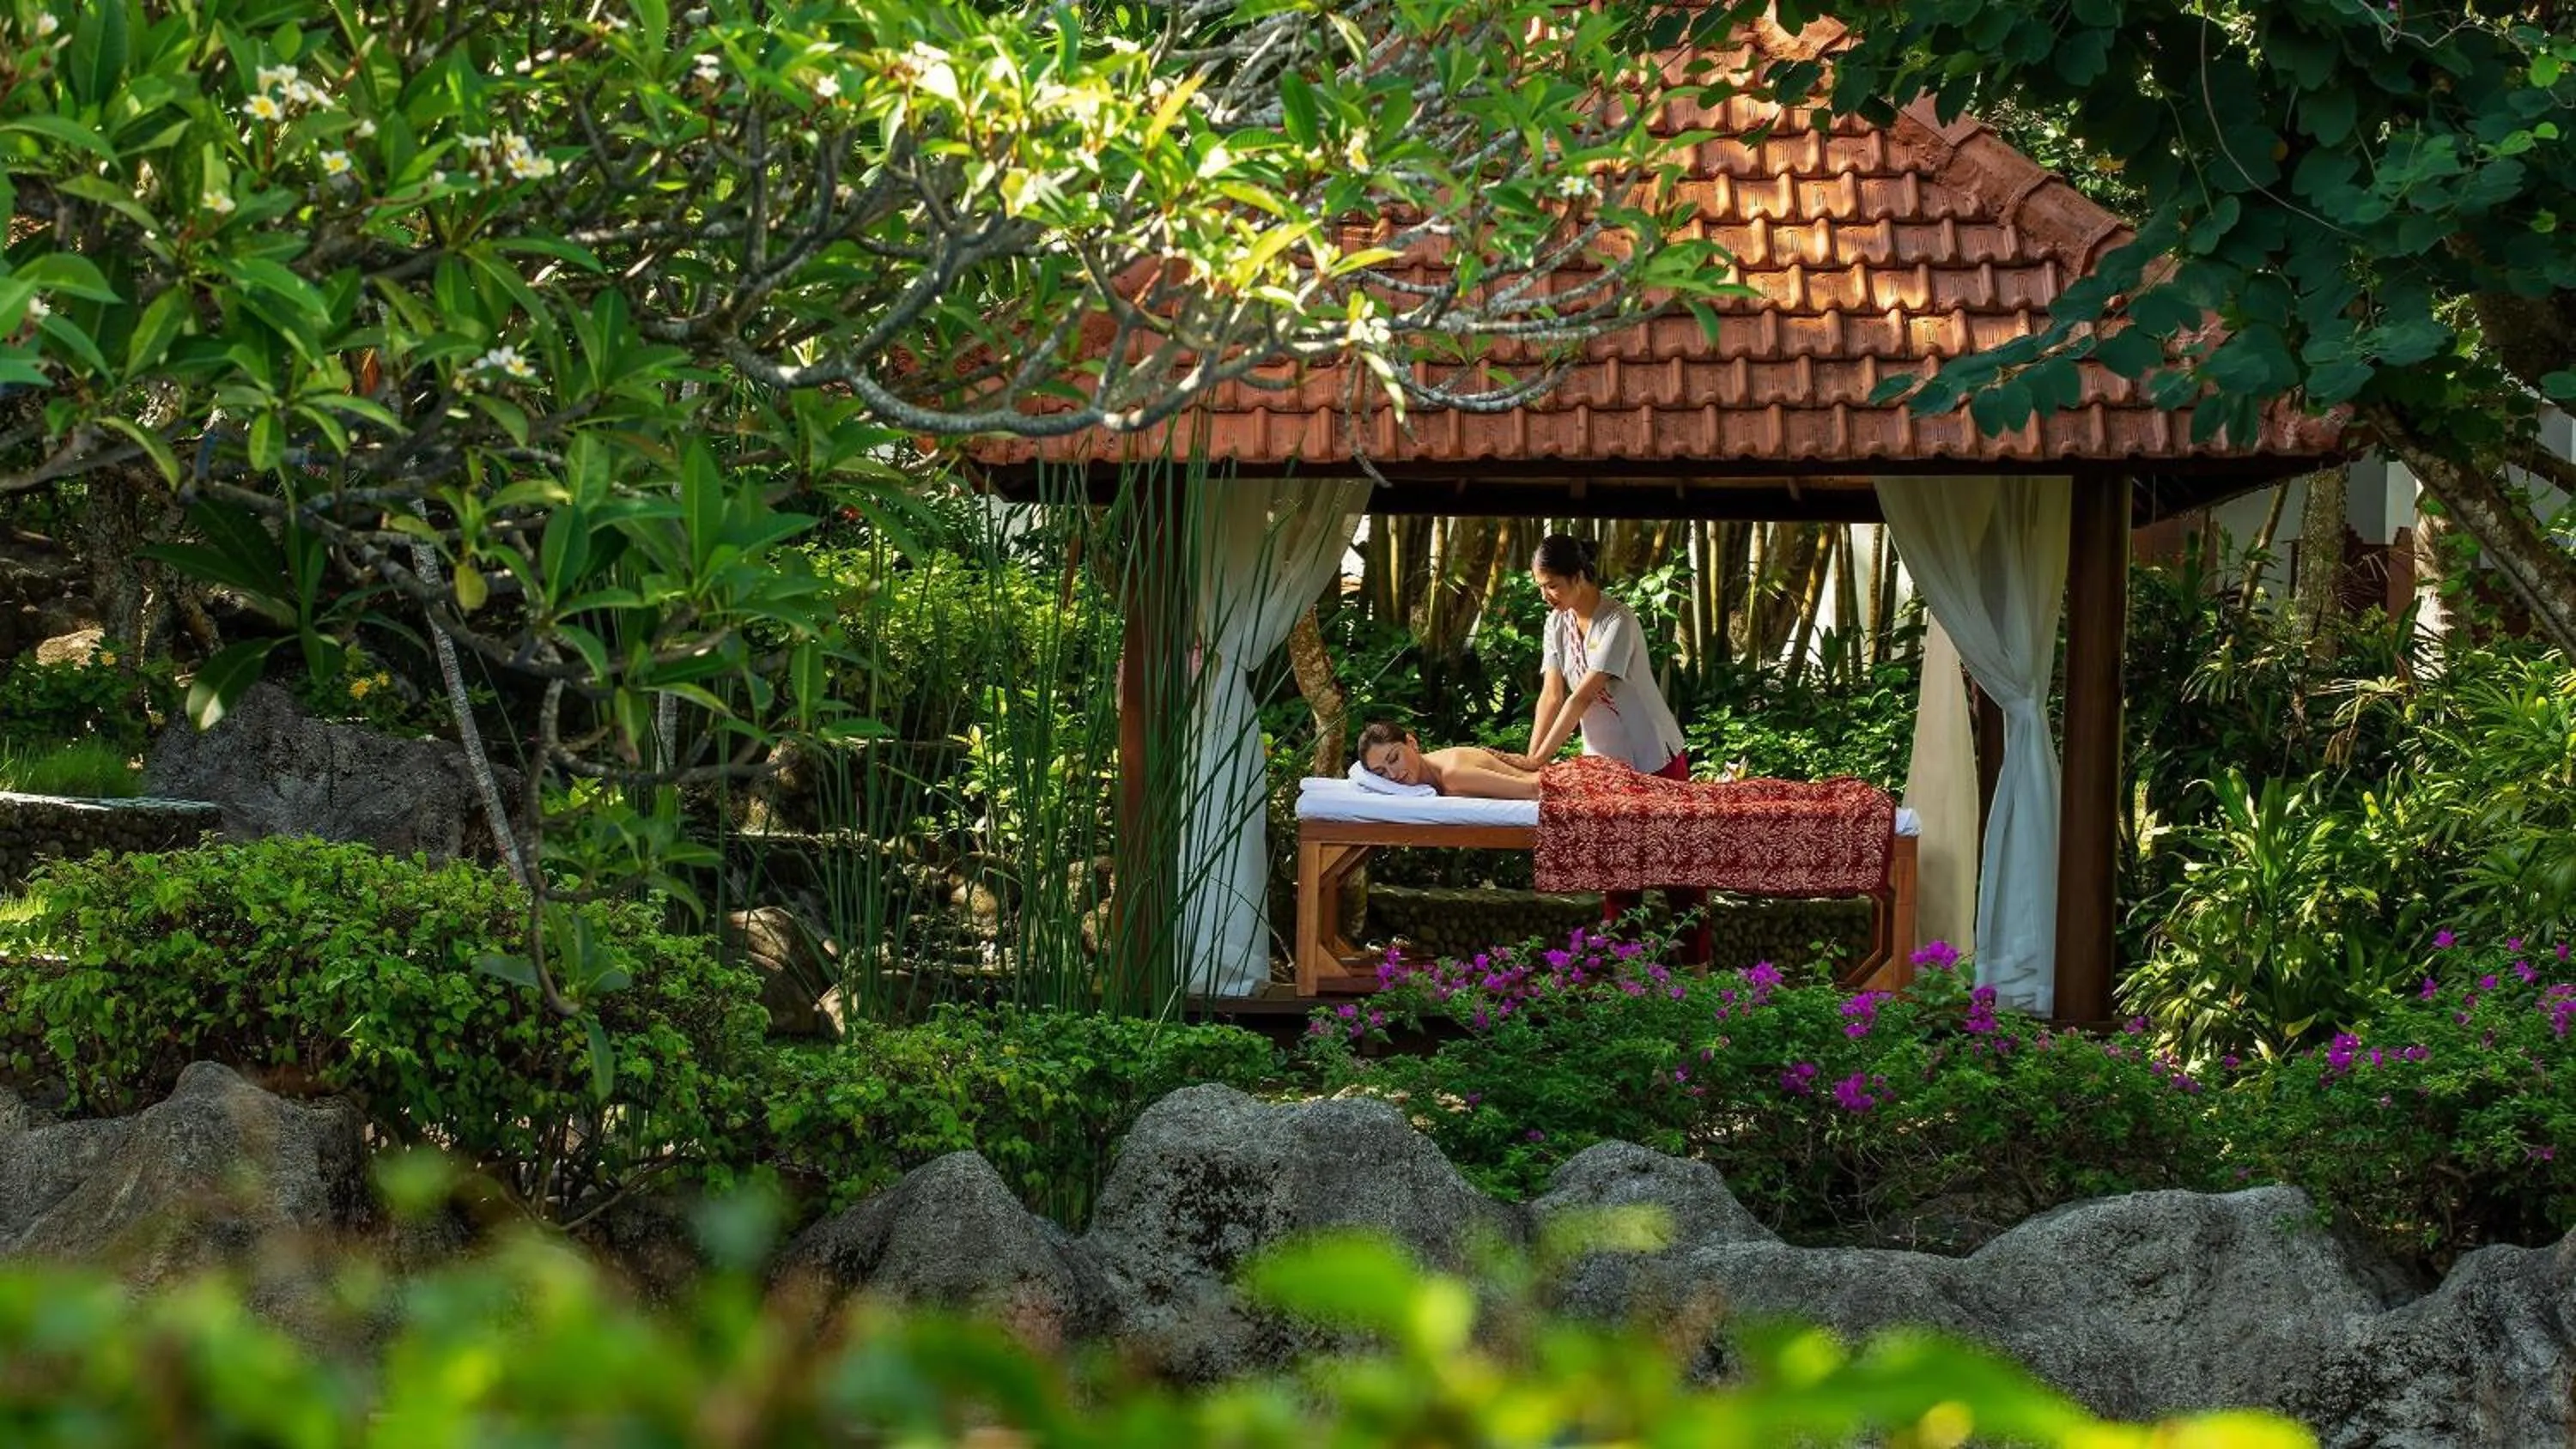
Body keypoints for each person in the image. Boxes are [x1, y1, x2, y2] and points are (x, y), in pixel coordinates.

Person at [1507, 532, 1710, 962]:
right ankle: (1625, 979)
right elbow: (1551, 694)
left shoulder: (1620, 619)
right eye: (1540, 587)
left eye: (1552, 586)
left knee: (1678, 869)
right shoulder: (1555, 624)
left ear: (1579, 577)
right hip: (1605, 765)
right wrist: (1530, 760)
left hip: (1655, 757)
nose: (1546, 596)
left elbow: (1582, 695)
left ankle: (1698, 975)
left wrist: (1540, 759)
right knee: (1618, 871)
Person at [1353, 721, 1543, 799]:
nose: (1392, 775)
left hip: (1560, 786)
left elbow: (1535, 789)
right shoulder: (1434, 767)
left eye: (1394, 758)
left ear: (1412, 743)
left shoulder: (1454, 776)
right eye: (1381, 773)